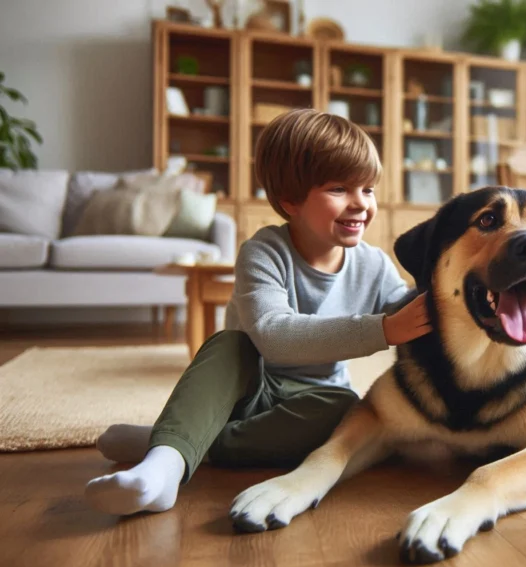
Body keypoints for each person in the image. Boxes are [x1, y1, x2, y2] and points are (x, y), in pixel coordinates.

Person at [84, 109, 431, 516]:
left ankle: (178, 442)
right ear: (290, 200)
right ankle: (161, 469)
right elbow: (273, 336)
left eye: (368, 189)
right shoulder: (262, 251)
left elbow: (406, 309)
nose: (360, 204)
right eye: (340, 188)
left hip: (312, 401)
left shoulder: (373, 264)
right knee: (230, 345)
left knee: (345, 409)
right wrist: (385, 329)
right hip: (249, 390)